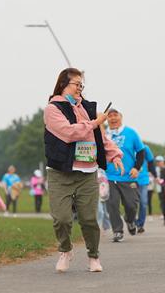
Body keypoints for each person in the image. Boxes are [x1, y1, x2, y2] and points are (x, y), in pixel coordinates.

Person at [44, 68, 123, 272]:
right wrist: (95, 122)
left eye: (81, 85)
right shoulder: (53, 108)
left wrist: (114, 154)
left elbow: (100, 138)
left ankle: (93, 256)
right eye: (76, 84)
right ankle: (65, 250)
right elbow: (69, 133)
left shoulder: (87, 109)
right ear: (63, 84)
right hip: (60, 173)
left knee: (89, 219)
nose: (80, 88)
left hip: (87, 172)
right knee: (61, 219)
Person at [105, 108, 145, 242]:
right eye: (110, 116)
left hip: (128, 176)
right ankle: (117, 231)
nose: (113, 118)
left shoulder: (131, 133)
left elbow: (141, 152)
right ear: (106, 119)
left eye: (115, 115)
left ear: (121, 117)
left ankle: (130, 220)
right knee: (112, 204)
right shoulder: (104, 134)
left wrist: (136, 168)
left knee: (131, 204)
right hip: (109, 176)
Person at [135, 143, 156, 233]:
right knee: (131, 203)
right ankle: (131, 220)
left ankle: (140, 224)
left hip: (143, 180)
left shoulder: (145, 148)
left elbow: (151, 162)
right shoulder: (128, 147)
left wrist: (156, 176)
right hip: (130, 179)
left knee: (143, 202)